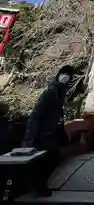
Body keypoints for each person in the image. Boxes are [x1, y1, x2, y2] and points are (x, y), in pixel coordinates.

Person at [23, 65, 74, 196]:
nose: (66, 77)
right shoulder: (50, 92)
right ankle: (39, 188)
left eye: (68, 75)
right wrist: (29, 138)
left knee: (53, 159)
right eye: (64, 73)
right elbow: (35, 115)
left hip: (51, 133)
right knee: (47, 160)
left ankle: (40, 186)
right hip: (42, 134)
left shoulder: (60, 92)